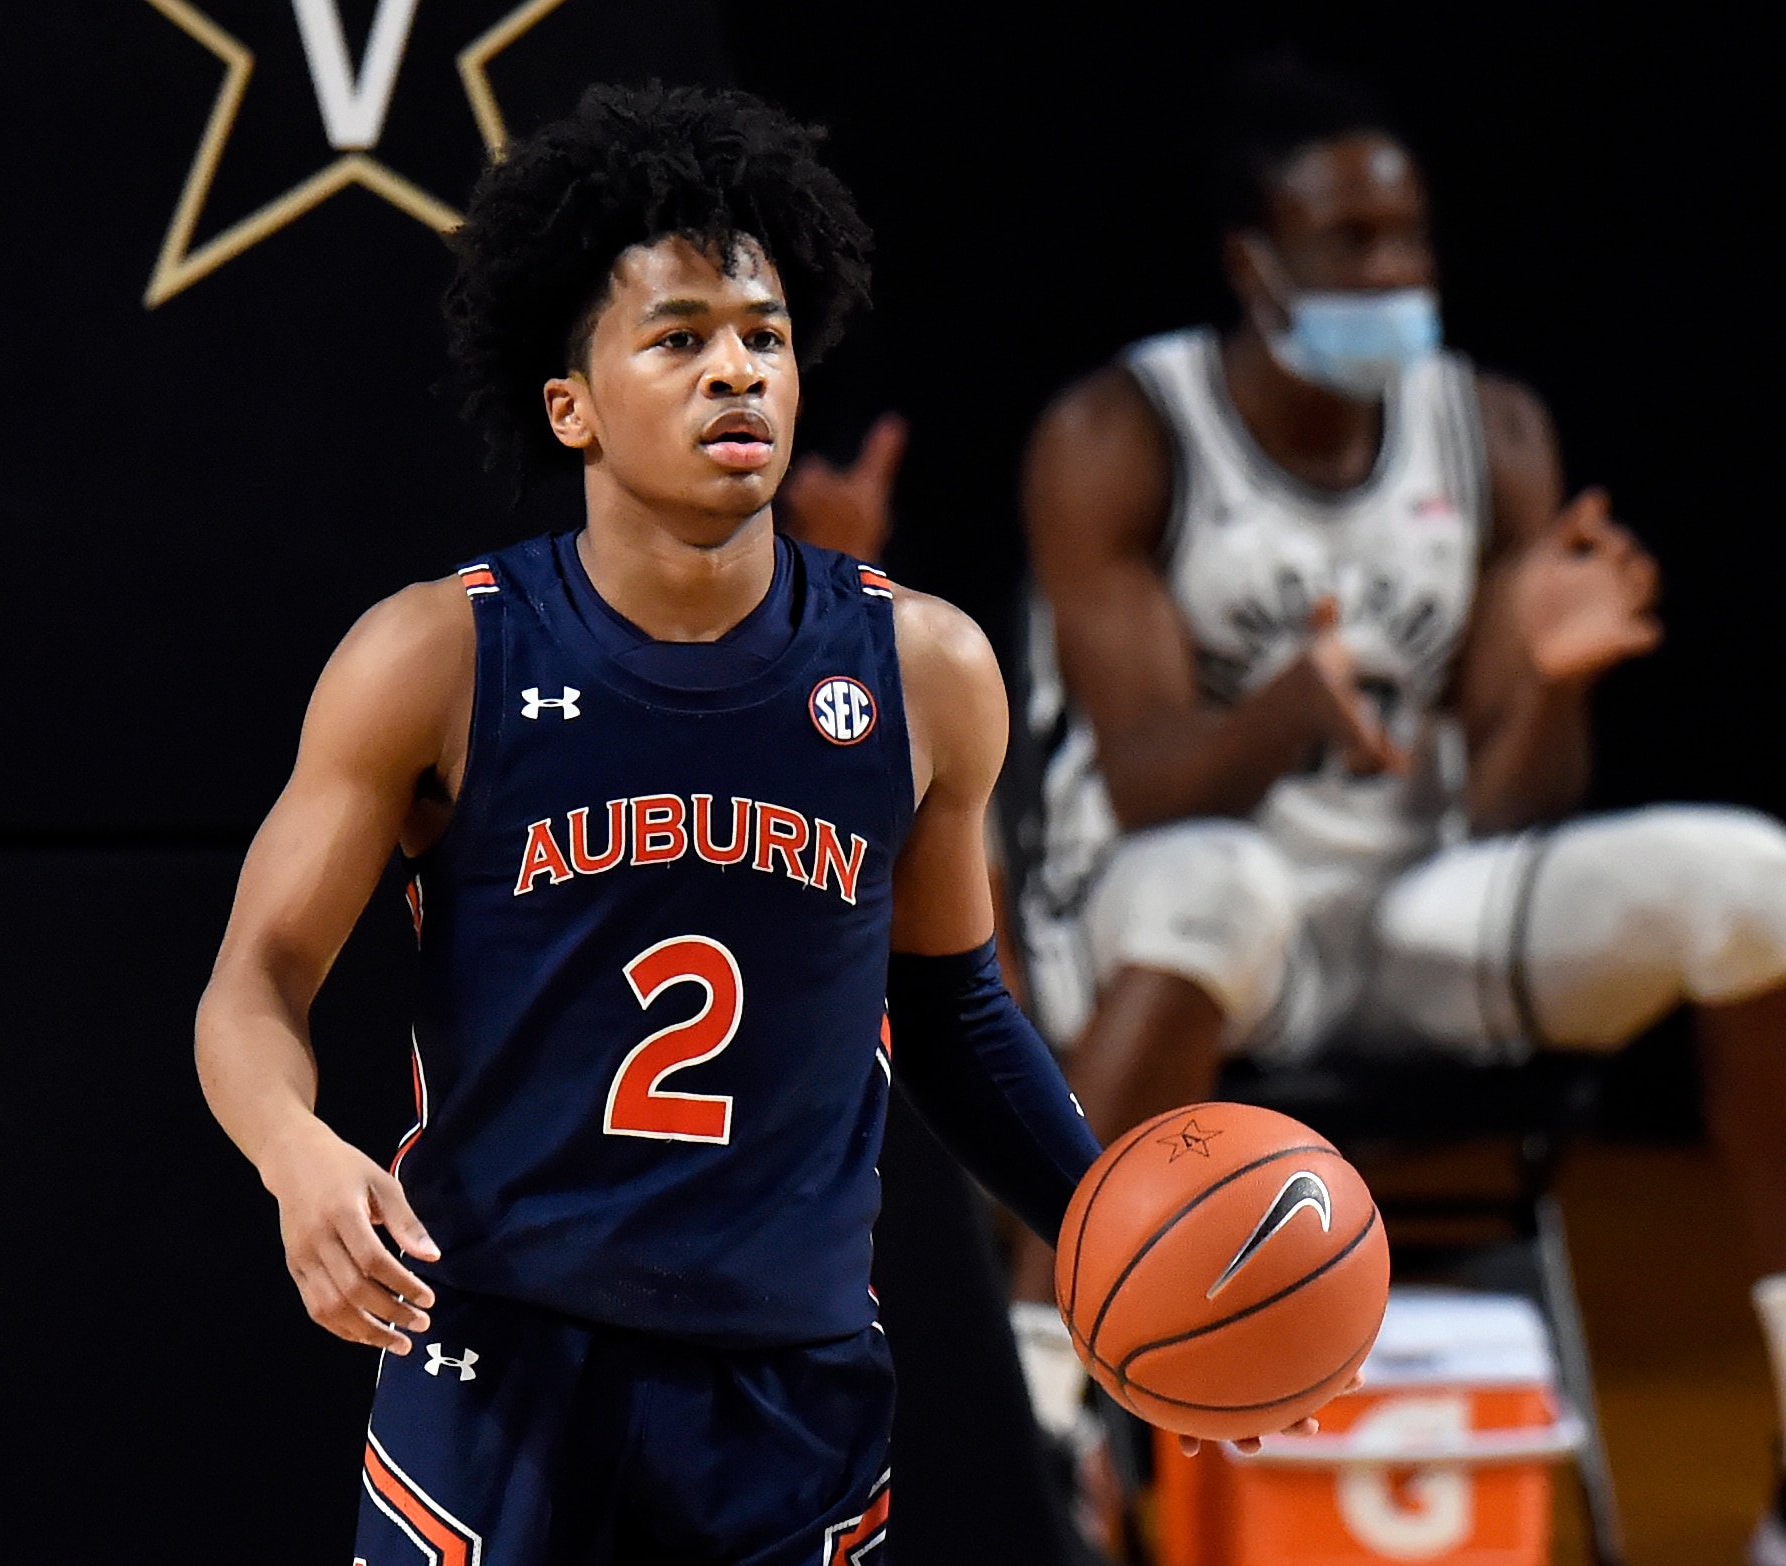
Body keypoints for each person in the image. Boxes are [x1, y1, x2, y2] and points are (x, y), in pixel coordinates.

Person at [195, 83, 1130, 1563]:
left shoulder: (926, 669)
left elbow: (953, 1012)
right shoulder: (438, 654)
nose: (736, 371)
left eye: (765, 335)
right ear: (570, 404)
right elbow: (256, 977)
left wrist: (1123, 1240)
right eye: (679, 338)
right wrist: (293, 1149)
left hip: (786, 1375)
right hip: (499, 1349)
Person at [1006, 59, 1786, 1562]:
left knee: (1758, 879)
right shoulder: (1123, 434)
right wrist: (1290, 710)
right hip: (1174, 927)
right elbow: (1148, 779)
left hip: (1413, 917)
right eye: (1351, 241)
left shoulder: (1493, 430)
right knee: (1221, 884)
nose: (1394, 271)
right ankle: (1039, 1399)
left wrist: (1547, 685)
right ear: (1255, 264)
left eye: (1411, 234)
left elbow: (1508, 806)